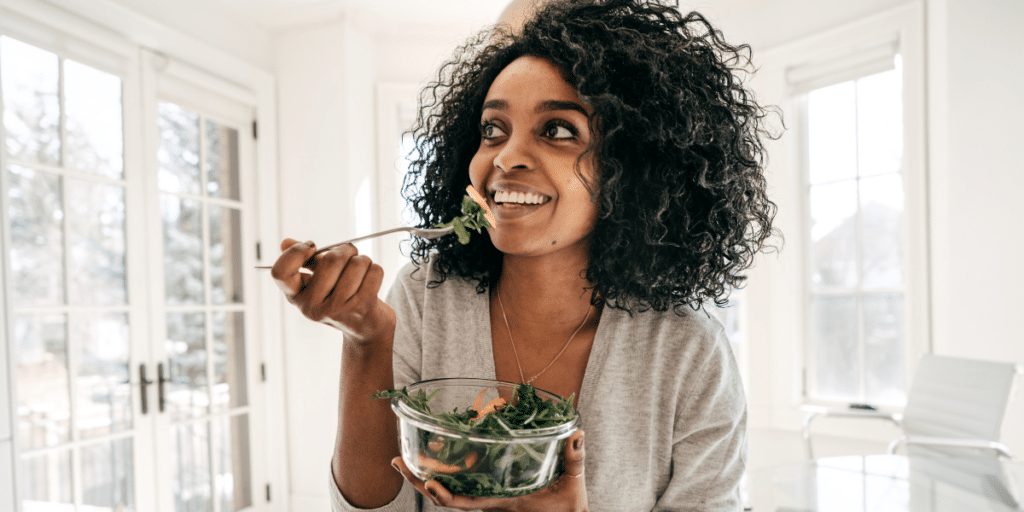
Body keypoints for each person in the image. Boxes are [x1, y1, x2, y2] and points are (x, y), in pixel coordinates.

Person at [271, 0, 778, 510]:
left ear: (633, 167)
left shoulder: (689, 351)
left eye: (557, 129)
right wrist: (366, 339)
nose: (505, 157)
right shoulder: (427, 295)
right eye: (493, 130)